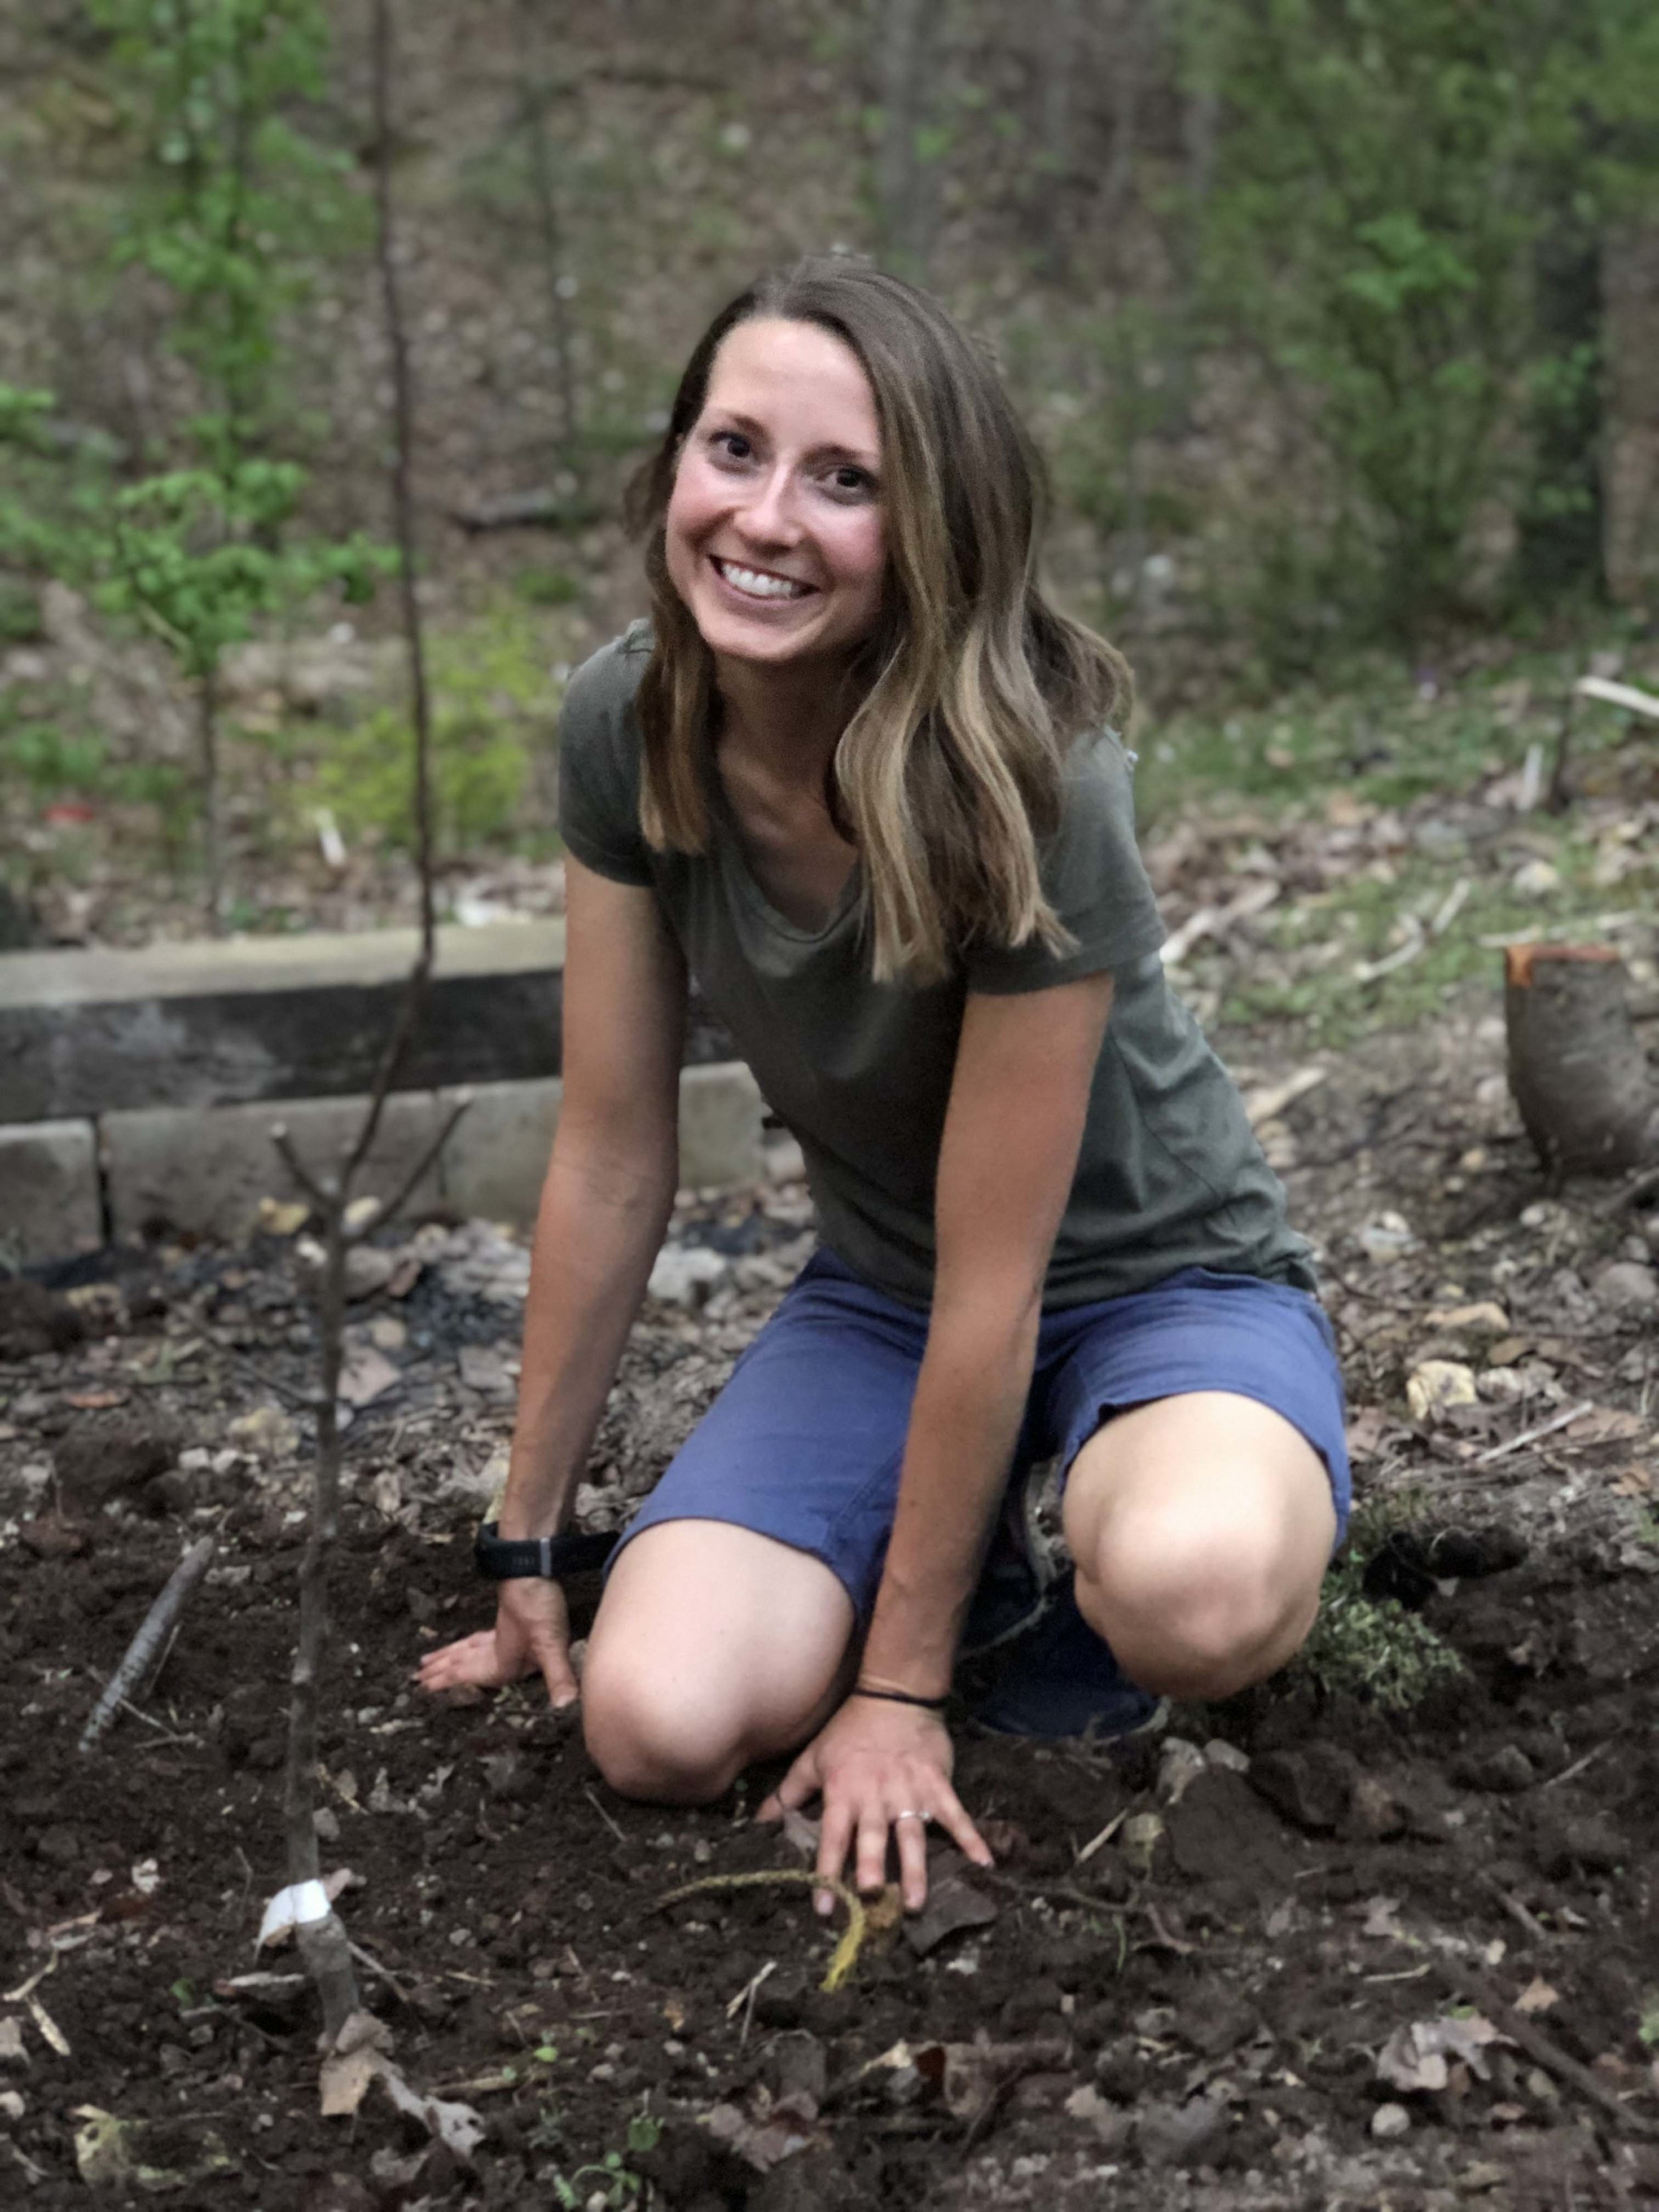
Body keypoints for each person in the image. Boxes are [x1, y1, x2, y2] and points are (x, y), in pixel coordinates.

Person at [417, 258, 1348, 1915]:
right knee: (652, 1718)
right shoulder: (625, 723)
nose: (767, 518)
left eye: (844, 481)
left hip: (1157, 1285)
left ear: (932, 532)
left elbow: (1008, 1280)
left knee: (1190, 1591)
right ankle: (972, 1552)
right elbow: (612, 1156)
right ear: (673, 467)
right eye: (734, 448)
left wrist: (896, 1692)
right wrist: (527, 1542)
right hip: (888, 1298)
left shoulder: (1026, 775)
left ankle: (1051, 1555)